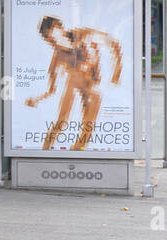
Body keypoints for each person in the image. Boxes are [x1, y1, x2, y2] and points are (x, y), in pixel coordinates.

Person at [25, 15, 123, 151]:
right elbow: (52, 88)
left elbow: (114, 43)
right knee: (61, 123)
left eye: (53, 37)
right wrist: (38, 99)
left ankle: (76, 154)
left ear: (60, 29)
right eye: (49, 40)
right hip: (74, 85)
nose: (54, 43)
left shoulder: (83, 35)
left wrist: (116, 74)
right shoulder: (58, 56)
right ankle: (44, 154)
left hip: (92, 87)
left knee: (87, 129)